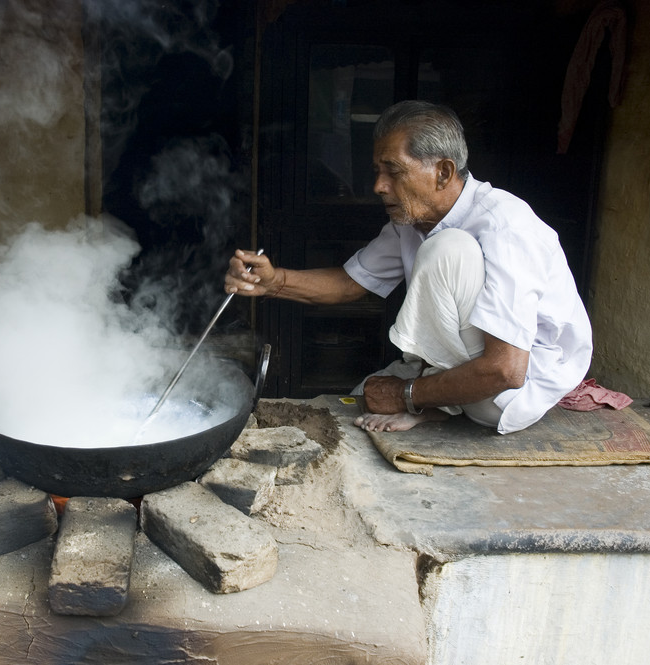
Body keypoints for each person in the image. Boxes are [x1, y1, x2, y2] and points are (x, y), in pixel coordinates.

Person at [225, 100, 592, 434]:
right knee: (353, 406)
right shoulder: (414, 222)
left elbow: (507, 369)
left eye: (393, 172)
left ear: (443, 173)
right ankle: (435, 402)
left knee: (448, 248)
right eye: (377, 171)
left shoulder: (504, 225)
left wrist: (408, 395)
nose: (378, 186)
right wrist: (274, 282)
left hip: (510, 395)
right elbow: (352, 283)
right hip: (468, 378)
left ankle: (433, 404)